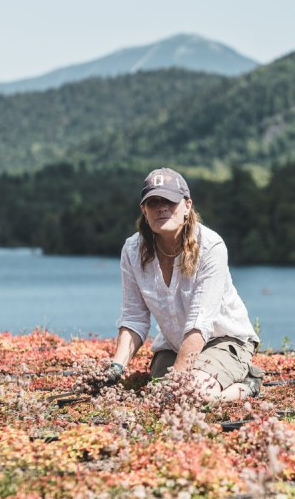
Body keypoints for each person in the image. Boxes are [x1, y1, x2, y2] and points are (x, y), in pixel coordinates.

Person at [107, 167, 263, 402]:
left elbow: (200, 324)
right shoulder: (132, 250)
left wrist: (177, 383)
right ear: (144, 211)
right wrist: (116, 368)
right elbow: (133, 319)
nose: (162, 208)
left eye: (169, 201)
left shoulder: (211, 246)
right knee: (161, 395)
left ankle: (249, 385)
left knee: (190, 393)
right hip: (173, 346)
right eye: (153, 202)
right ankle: (198, 386)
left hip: (224, 339)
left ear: (187, 206)